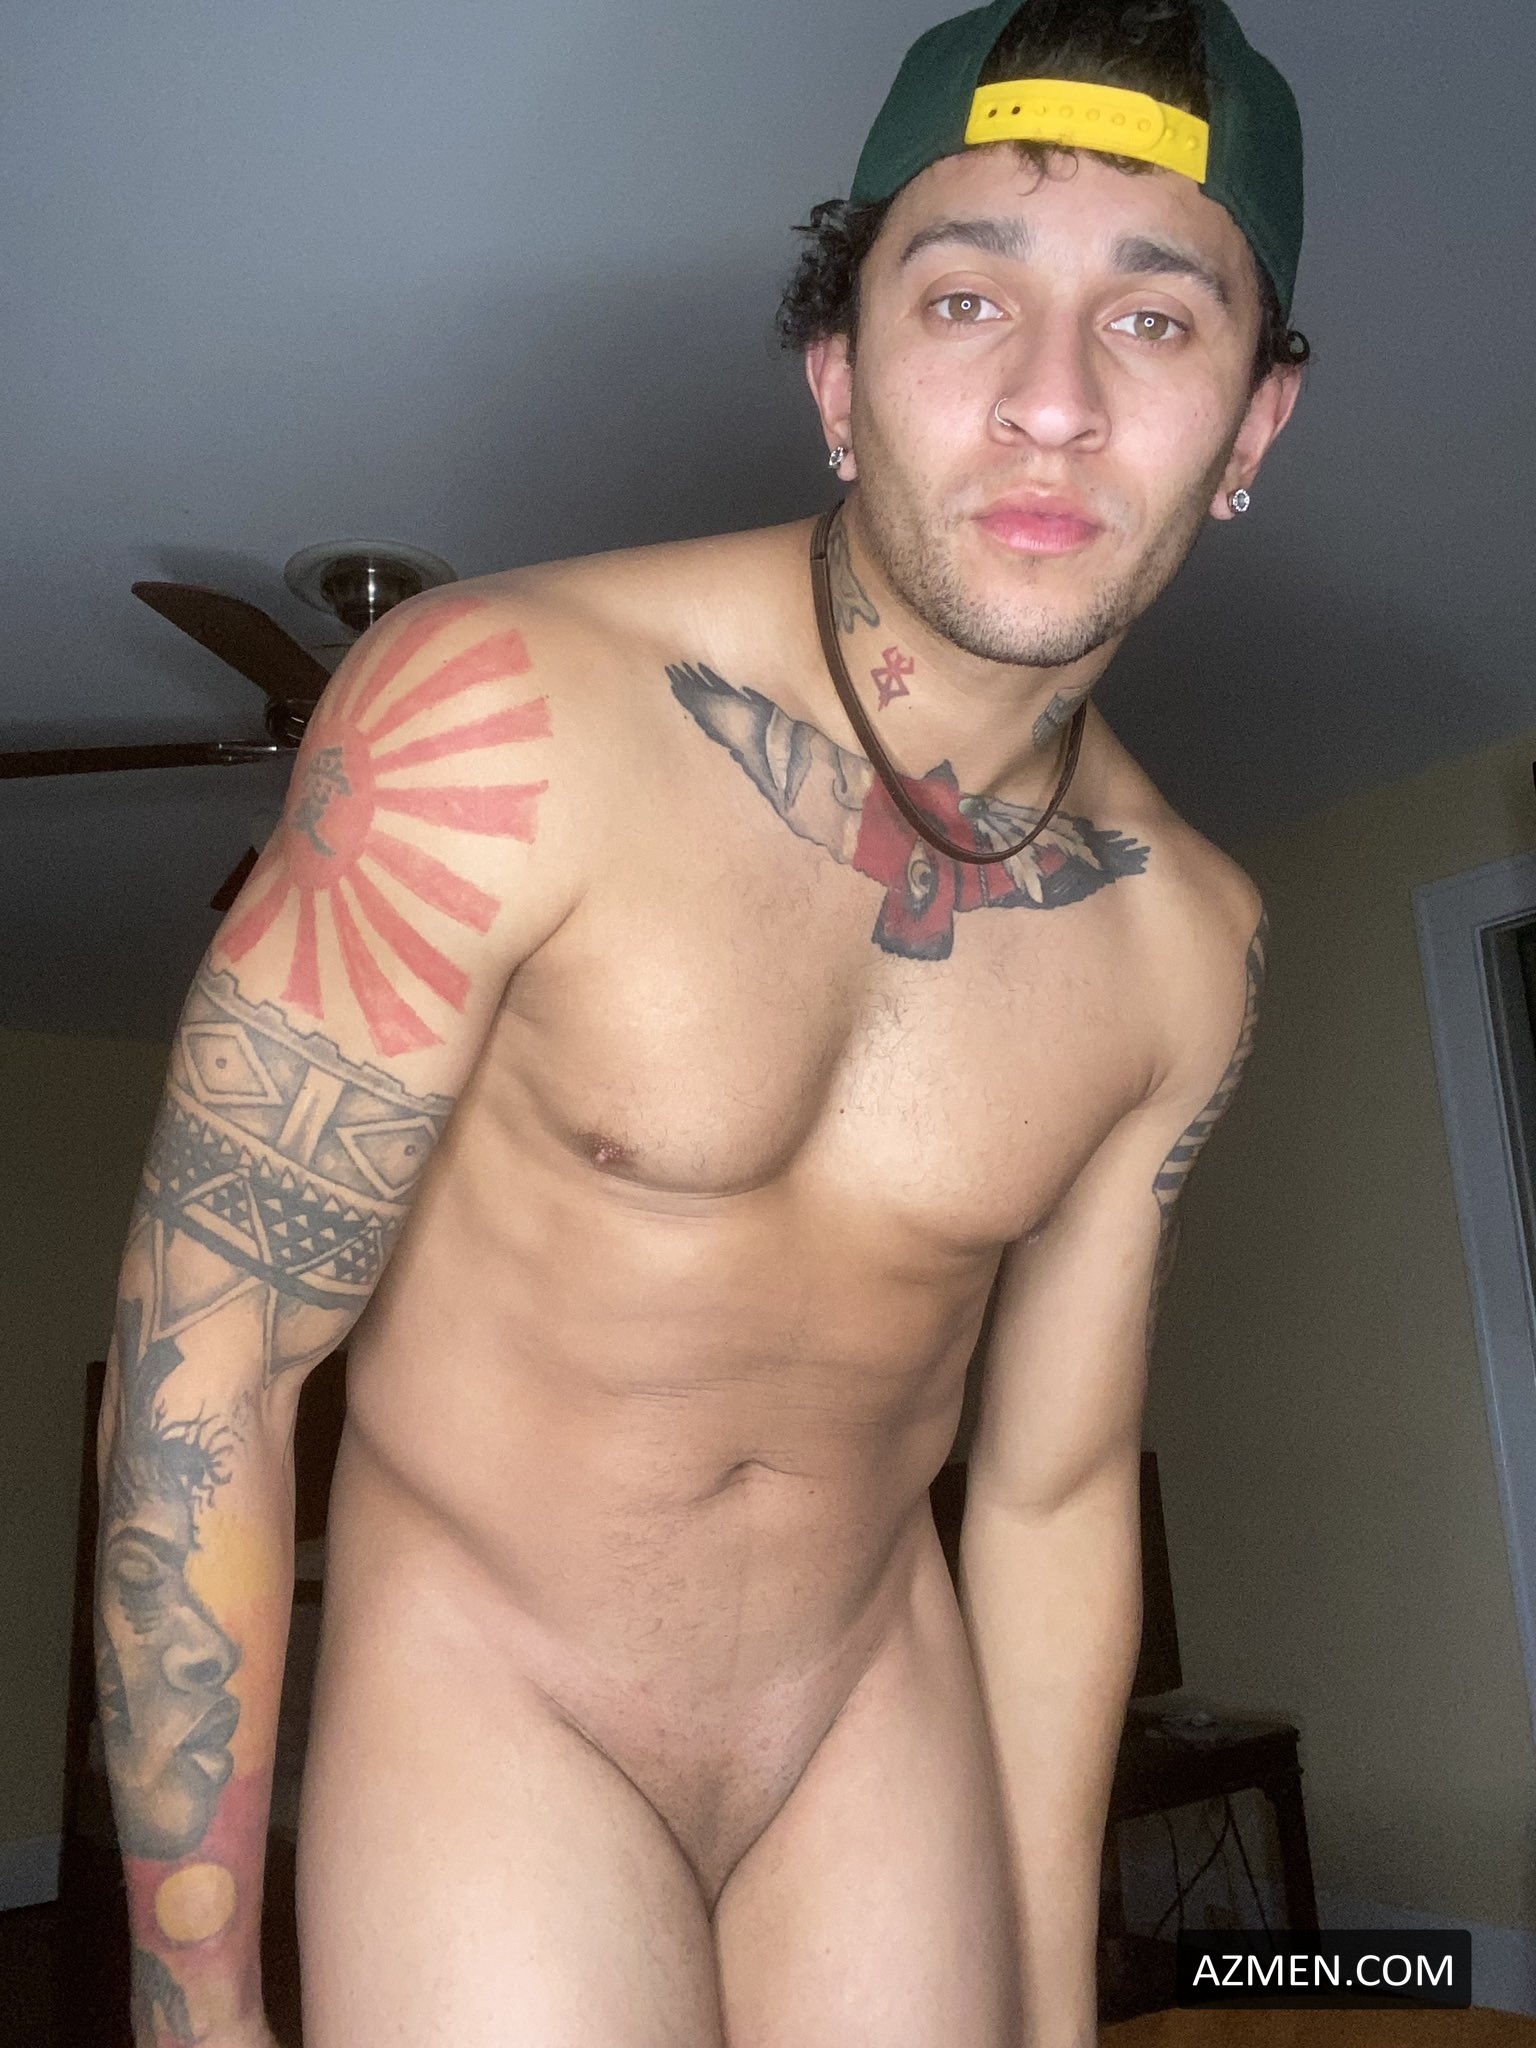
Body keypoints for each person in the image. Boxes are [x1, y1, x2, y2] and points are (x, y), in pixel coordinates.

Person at [95, 0, 1308, 2041]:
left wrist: (1048, 2008)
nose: (1052, 401)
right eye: (965, 298)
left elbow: (1049, 1500)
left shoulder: (1188, 943)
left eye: (1156, 319)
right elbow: (206, 1358)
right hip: (498, 1693)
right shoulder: (494, 715)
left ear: (1255, 424)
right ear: (839, 377)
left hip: (870, 1707)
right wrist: (191, 2010)